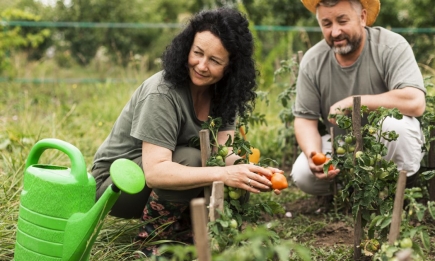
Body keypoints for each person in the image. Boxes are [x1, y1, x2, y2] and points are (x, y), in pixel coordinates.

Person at [91, 7, 282, 256]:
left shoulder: (224, 95)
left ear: (230, 68)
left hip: (152, 178)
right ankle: (152, 245)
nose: (202, 66)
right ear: (187, 48)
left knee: (237, 172)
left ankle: (190, 233)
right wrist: (224, 174)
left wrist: (253, 172)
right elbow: (156, 173)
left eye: (214, 61)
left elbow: (224, 151)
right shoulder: (162, 92)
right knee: (191, 159)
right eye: (197, 53)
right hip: (115, 185)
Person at [291, 0, 426, 201]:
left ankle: (401, 192)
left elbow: (415, 102)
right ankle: (351, 191)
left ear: (362, 18)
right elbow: (304, 119)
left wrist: (355, 102)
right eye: (327, 24)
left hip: (385, 144)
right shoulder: (313, 61)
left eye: (342, 21)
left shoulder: (390, 46)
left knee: (394, 125)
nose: (335, 32)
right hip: (344, 145)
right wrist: (314, 155)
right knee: (303, 173)